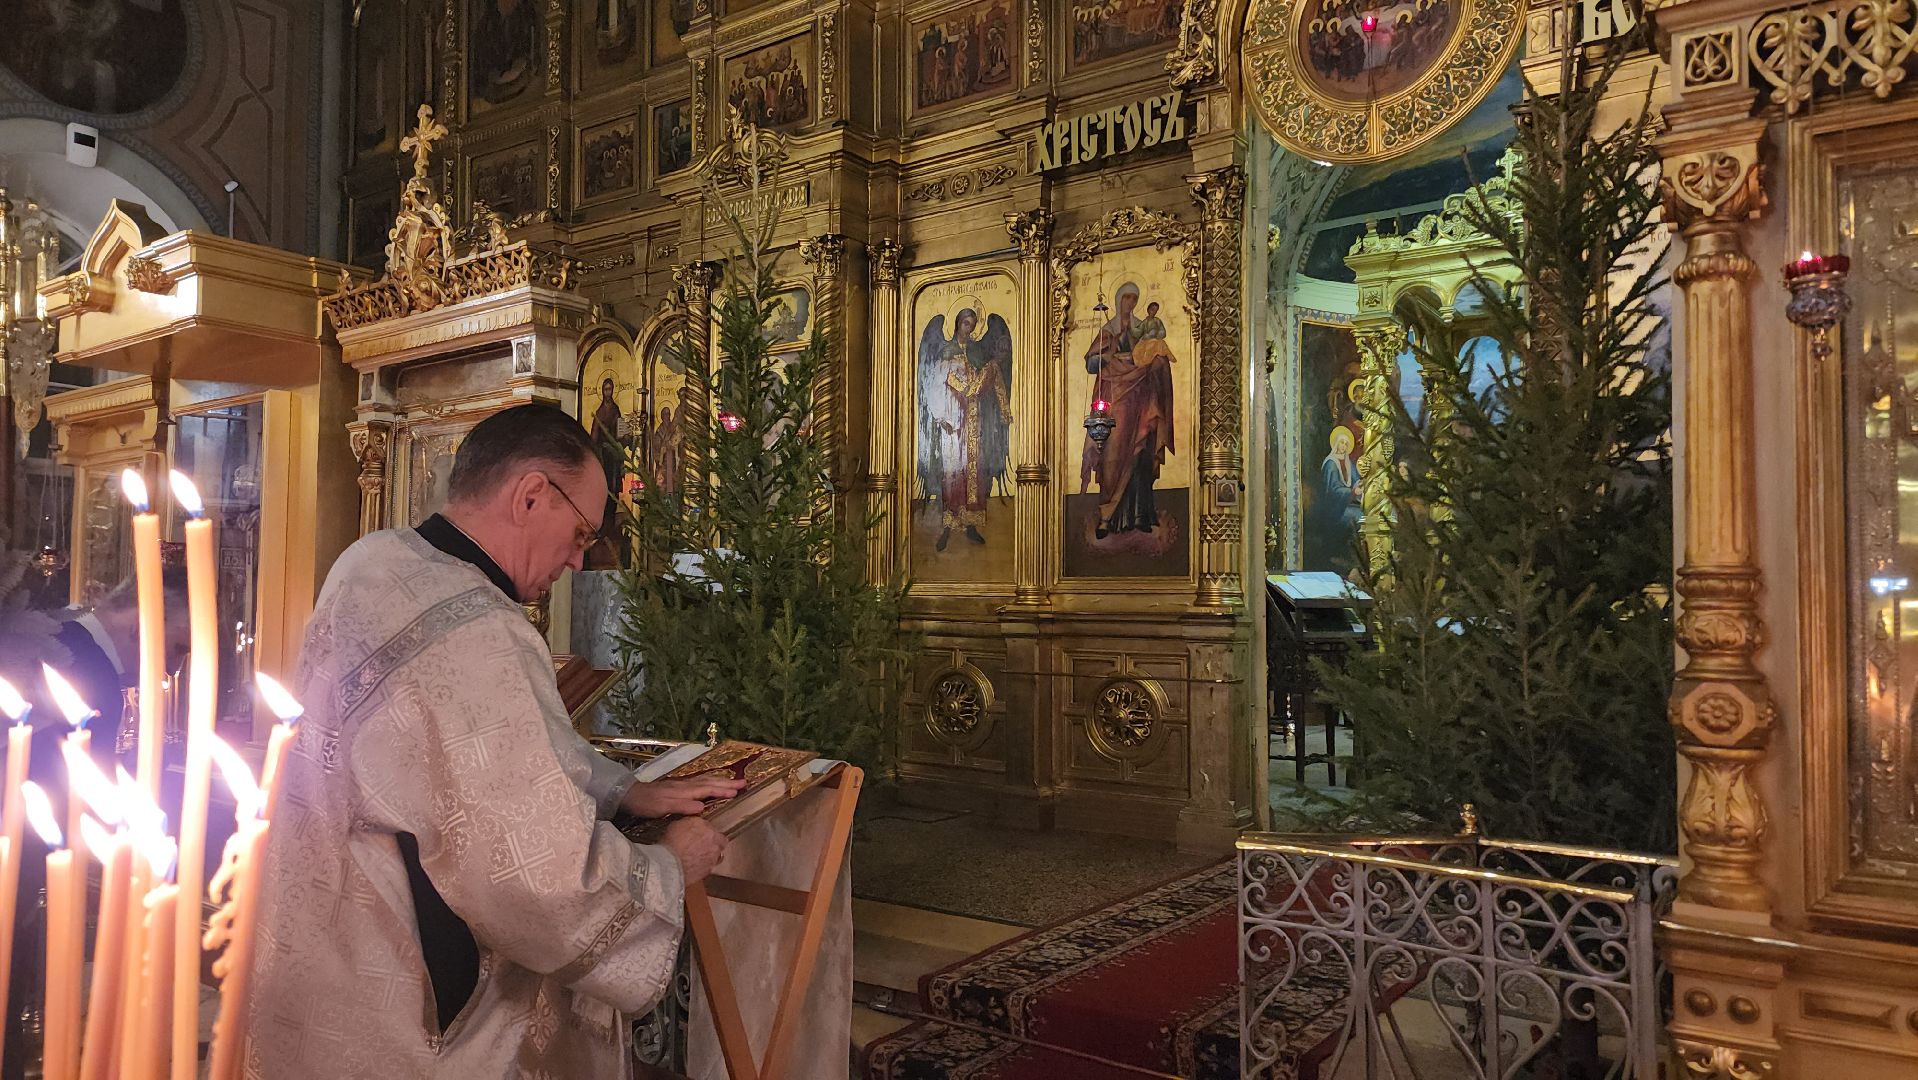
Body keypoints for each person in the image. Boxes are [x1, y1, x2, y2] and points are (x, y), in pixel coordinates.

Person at [248, 404, 743, 1077]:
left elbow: (475, 755)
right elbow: (537, 880)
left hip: (318, 947)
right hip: (406, 995)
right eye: (579, 533)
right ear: (532, 494)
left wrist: (628, 791)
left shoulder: (373, 562)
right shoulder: (483, 628)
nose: (577, 559)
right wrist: (666, 869)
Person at [1081, 282, 1177, 538]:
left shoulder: (1142, 330)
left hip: (1139, 396)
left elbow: (1153, 354)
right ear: (1118, 300)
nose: (1130, 304)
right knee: (1112, 455)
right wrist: (1106, 358)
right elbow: (1091, 363)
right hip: (1115, 399)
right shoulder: (1107, 330)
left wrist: (1155, 361)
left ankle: (1139, 515)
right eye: (1126, 299)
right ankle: (1107, 517)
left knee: (1140, 452)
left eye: (1135, 299)